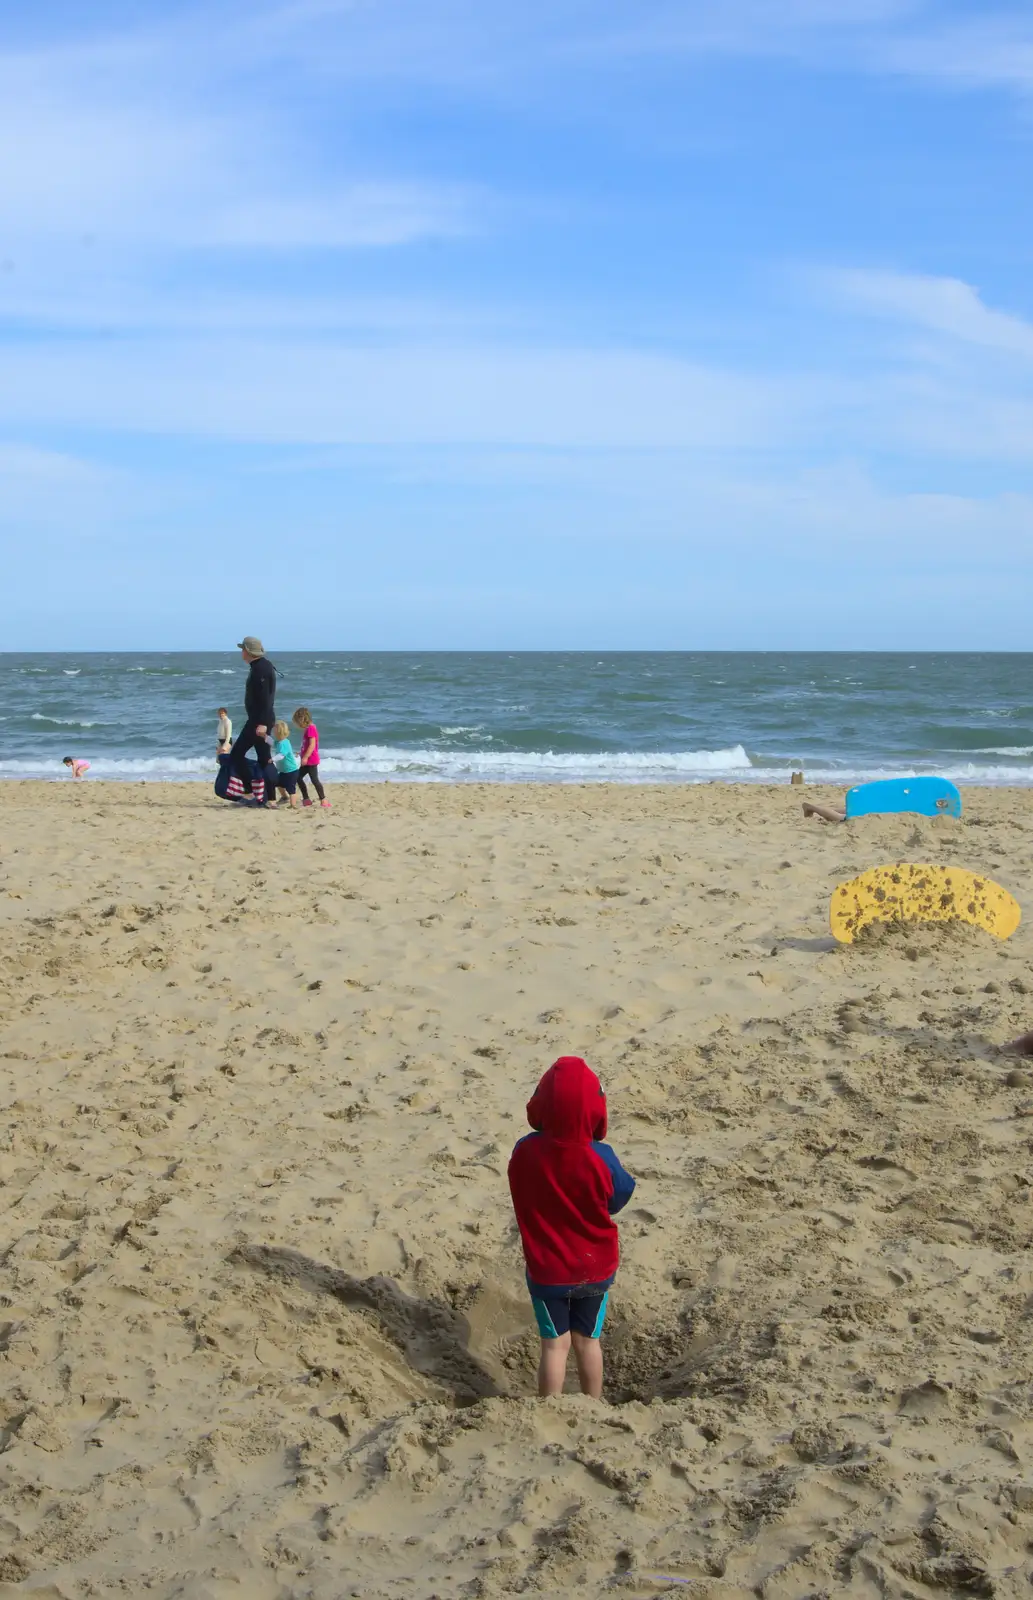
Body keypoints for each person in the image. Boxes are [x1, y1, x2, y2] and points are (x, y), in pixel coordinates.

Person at [507, 1055, 635, 1399]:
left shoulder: (525, 1151)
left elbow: (521, 1189)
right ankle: (595, 1404)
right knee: (587, 1341)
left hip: (547, 1269)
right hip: (594, 1267)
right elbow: (620, 1196)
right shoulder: (601, 1157)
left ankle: (549, 1408)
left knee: (555, 1345)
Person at [229, 637, 277, 805]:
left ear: (248, 652)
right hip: (260, 720)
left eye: (243, 649)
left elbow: (266, 698)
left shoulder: (260, 669)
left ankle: (249, 792)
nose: (241, 652)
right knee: (264, 758)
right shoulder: (260, 666)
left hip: (258, 721)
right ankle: (272, 799)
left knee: (236, 754)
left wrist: (263, 723)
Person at [292, 706, 330, 809]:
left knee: (314, 780)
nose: (298, 725)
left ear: (302, 719)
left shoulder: (311, 728)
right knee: (297, 777)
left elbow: (312, 745)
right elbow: (306, 745)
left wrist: (305, 757)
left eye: (298, 722)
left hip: (311, 760)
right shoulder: (308, 729)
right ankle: (306, 799)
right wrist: (300, 754)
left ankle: (323, 799)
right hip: (306, 759)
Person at [270, 719, 301, 809]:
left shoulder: (284, 743)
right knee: (278, 784)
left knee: (291, 789)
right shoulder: (279, 742)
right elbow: (272, 743)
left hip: (291, 771)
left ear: (279, 733)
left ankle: (293, 805)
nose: (274, 734)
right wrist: (265, 736)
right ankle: (284, 797)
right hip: (284, 771)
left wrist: (272, 759)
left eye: (275, 732)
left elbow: (281, 755)